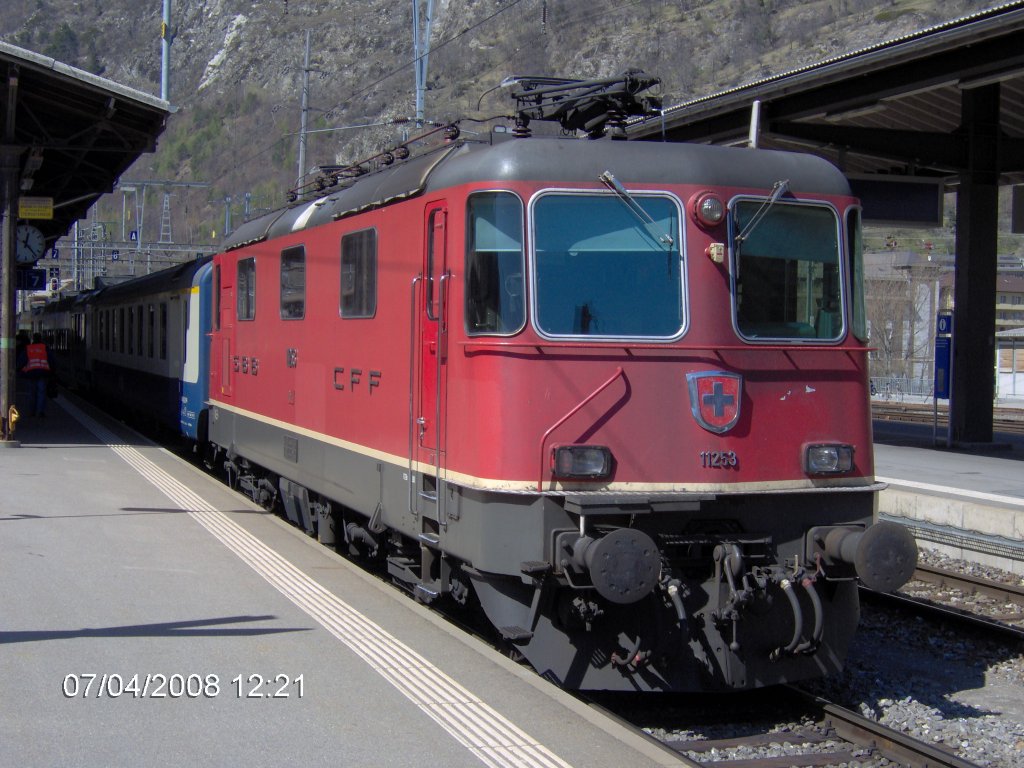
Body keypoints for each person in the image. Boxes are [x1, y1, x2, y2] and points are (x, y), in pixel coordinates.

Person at [21, 333, 51, 417]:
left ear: (33, 339)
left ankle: (32, 411)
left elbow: (22, 360)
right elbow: (51, 360)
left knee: (31, 393)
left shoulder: (28, 348)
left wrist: (19, 370)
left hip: (31, 374)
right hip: (42, 373)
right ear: (41, 339)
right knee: (41, 393)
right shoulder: (45, 348)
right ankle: (40, 411)